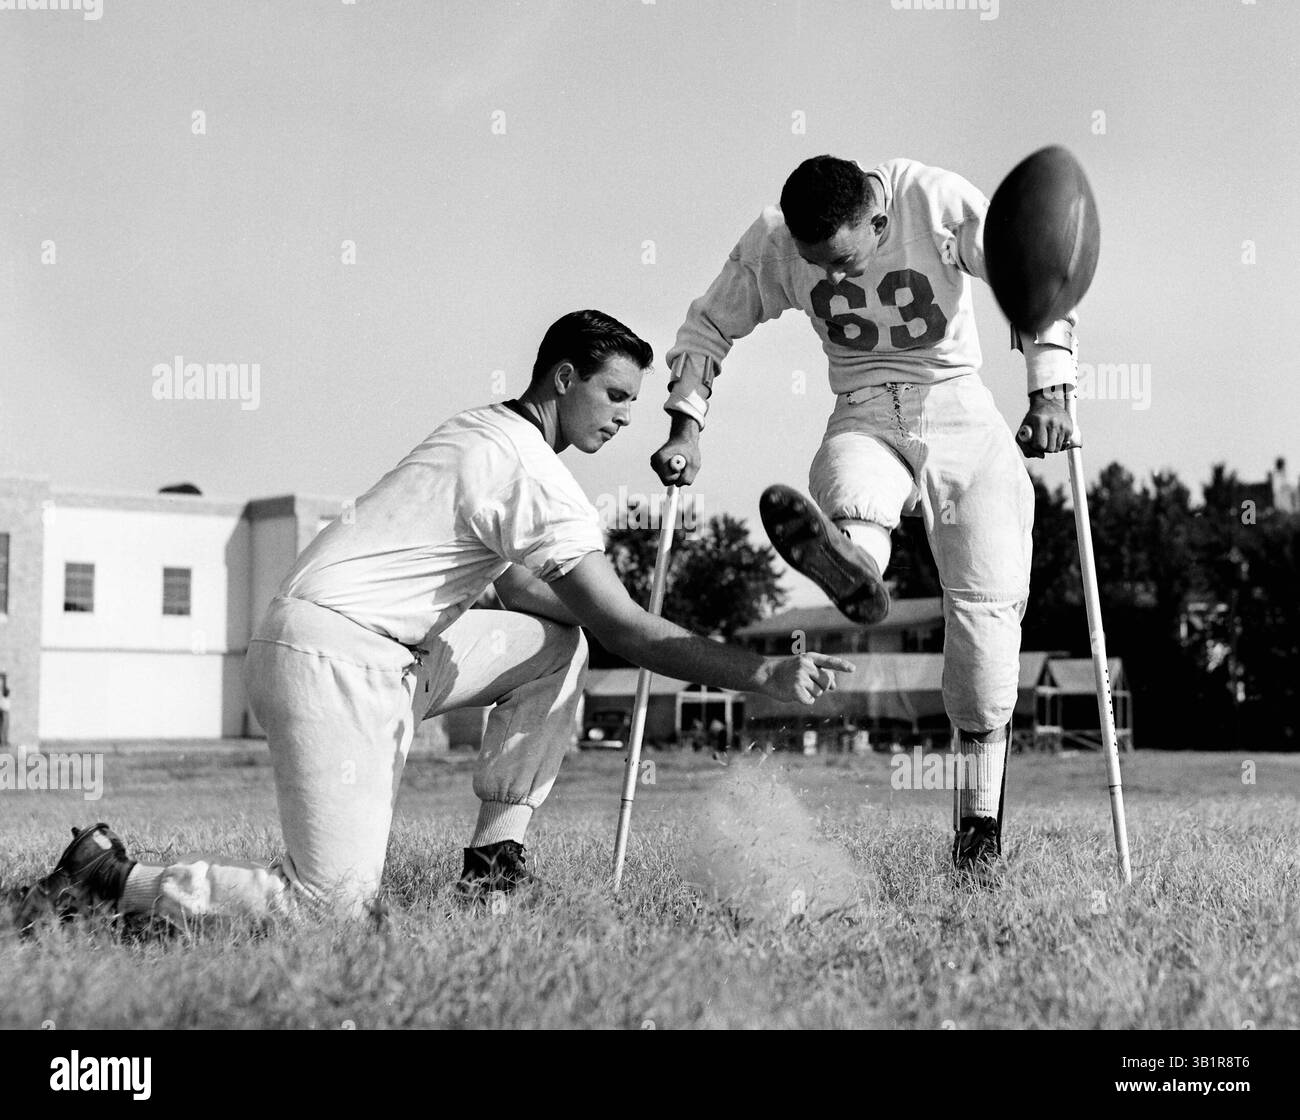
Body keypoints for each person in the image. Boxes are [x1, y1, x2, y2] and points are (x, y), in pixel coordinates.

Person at [16, 310, 852, 934]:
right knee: (332, 909)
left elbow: (540, 600)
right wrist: (757, 672)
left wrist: (623, 617)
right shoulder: (534, 474)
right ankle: (107, 879)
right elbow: (629, 630)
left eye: (635, 401)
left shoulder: (479, 432)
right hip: (333, 662)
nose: (627, 416)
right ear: (563, 378)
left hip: (367, 651)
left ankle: (493, 868)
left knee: (558, 646)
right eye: (616, 394)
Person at [650, 156, 1080, 881]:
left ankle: (978, 832)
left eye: (846, 260)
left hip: (957, 402)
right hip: (863, 403)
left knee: (987, 610)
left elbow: (1034, 272)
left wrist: (1050, 389)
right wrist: (684, 425)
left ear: (879, 222)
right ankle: (852, 563)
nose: (837, 279)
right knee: (853, 488)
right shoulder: (776, 238)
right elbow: (706, 327)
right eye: (821, 268)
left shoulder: (936, 202)